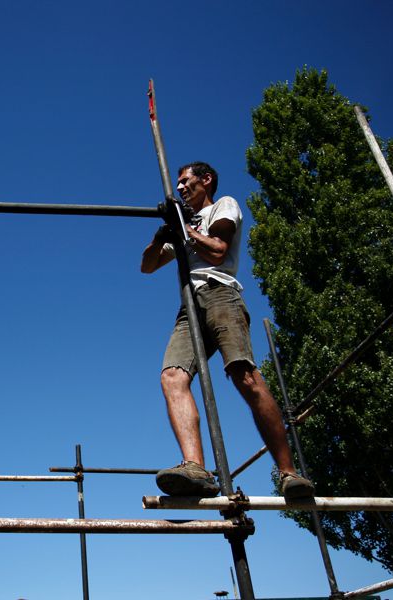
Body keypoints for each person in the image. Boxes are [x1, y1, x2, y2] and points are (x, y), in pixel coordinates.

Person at [140, 162, 314, 499]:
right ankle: (195, 467)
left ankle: (289, 473)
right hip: (189, 306)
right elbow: (147, 267)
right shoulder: (184, 226)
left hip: (221, 294)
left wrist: (185, 229)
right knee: (172, 376)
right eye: (177, 184)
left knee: (243, 375)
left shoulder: (223, 206)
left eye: (185, 181)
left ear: (206, 180)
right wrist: (162, 235)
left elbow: (218, 251)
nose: (180, 188)